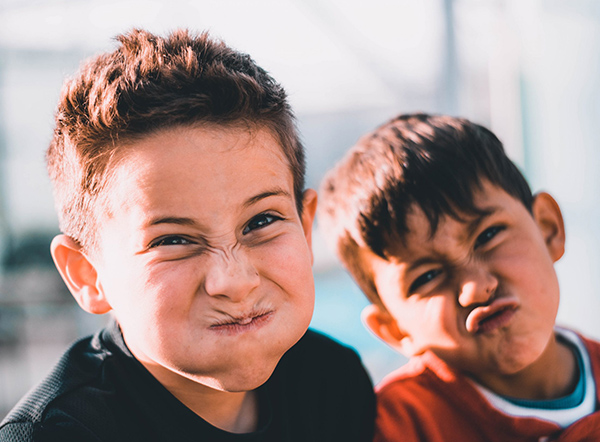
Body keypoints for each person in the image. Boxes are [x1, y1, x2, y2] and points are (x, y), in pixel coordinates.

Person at [0, 29, 375, 442]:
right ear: (87, 275)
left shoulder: (333, 384)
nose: (234, 281)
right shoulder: (55, 435)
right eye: (172, 240)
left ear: (305, 228)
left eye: (261, 222)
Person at [317, 112, 600, 441]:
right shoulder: (397, 428)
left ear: (548, 229)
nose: (476, 289)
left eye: (488, 235)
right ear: (394, 329)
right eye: (427, 277)